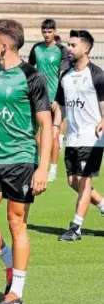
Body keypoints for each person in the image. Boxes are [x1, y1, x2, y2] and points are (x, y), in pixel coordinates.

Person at [0, 19, 52, 304]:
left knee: (17, 222)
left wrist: (43, 168)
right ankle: (8, 260)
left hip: (21, 160)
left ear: (5, 45)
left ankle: (16, 291)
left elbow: (46, 124)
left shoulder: (33, 77)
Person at [55, 30, 104, 241]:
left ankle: (76, 227)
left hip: (92, 138)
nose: (69, 49)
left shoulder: (97, 75)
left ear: (86, 48)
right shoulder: (65, 76)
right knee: (72, 181)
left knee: (84, 182)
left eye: (73, 45)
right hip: (72, 137)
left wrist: (103, 121)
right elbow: (61, 105)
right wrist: (56, 125)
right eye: (68, 44)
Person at [29, 19, 70, 182]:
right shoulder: (36, 48)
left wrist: (58, 98)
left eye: (49, 31)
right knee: (34, 132)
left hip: (53, 99)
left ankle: (53, 168)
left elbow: (63, 75)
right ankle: (39, 163)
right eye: (44, 31)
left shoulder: (61, 50)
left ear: (54, 31)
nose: (47, 34)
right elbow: (30, 70)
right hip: (37, 97)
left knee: (53, 135)